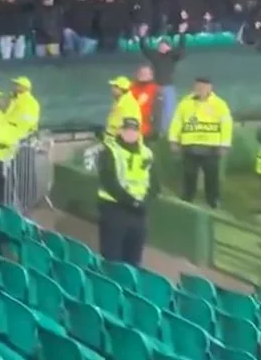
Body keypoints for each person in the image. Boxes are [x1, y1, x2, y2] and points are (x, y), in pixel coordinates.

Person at [96, 117, 156, 265]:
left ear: (139, 133)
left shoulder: (147, 153)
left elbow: (155, 184)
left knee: (134, 259)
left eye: (134, 131)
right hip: (114, 209)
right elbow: (110, 182)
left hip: (138, 213)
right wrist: (133, 202)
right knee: (112, 258)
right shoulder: (110, 151)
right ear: (121, 131)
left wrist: (145, 202)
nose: (130, 134)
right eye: (127, 130)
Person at [168, 77, 233, 209]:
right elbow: (177, 122)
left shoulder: (219, 104)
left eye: (203, 87)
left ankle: (213, 200)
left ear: (210, 88)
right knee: (189, 174)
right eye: (197, 87)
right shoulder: (185, 103)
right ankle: (187, 199)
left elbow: (226, 125)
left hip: (211, 147)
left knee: (211, 175)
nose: (200, 90)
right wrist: (173, 140)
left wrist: (225, 145)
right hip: (190, 146)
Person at [140, 34, 186, 135]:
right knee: (154, 110)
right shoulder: (155, 56)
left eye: (165, 45)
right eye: (160, 45)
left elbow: (181, 49)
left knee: (169, 111)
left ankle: (167, 132)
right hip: (155, 87)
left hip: (168, 87)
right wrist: (142, 36)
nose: (162, 46)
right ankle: (154, 131)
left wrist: (182, 34)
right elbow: (144, 49)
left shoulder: (172, 56)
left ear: (169, 47)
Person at [104, 76, 143, 143]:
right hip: (112, 141)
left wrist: (117, 134)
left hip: (123, 144)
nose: (112, 89)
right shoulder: (119, 101)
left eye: (115, 87)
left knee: (91, 153)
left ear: (121, 89)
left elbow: (131, 128)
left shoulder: (129, 104)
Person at [130, 66, 159, 139]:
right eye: (142, 74)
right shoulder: (132, 87)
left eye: (145, 74)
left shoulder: (153, 88)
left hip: (145, 127)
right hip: (132, 124)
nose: (143, 76)